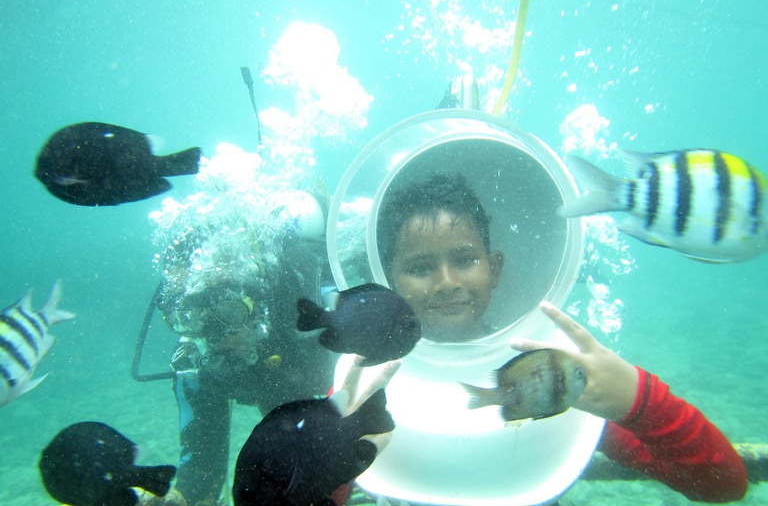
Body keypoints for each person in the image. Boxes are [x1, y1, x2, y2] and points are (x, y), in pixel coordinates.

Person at [344, 172, 747, 504]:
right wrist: (338, 445)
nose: (447, 282)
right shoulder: (367, 379)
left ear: (494, 267)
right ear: (387, 280)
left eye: (465, 259)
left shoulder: (552, 372)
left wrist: (638, 399)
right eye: (420, 267)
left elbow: (722, 483)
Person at [153, 192, 339, 506]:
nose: (216, 337)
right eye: (193, 320)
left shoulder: (306, 307)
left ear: (259, 305)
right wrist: (177, 499)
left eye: (228, 313)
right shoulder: (195, 359)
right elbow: (201, 466)